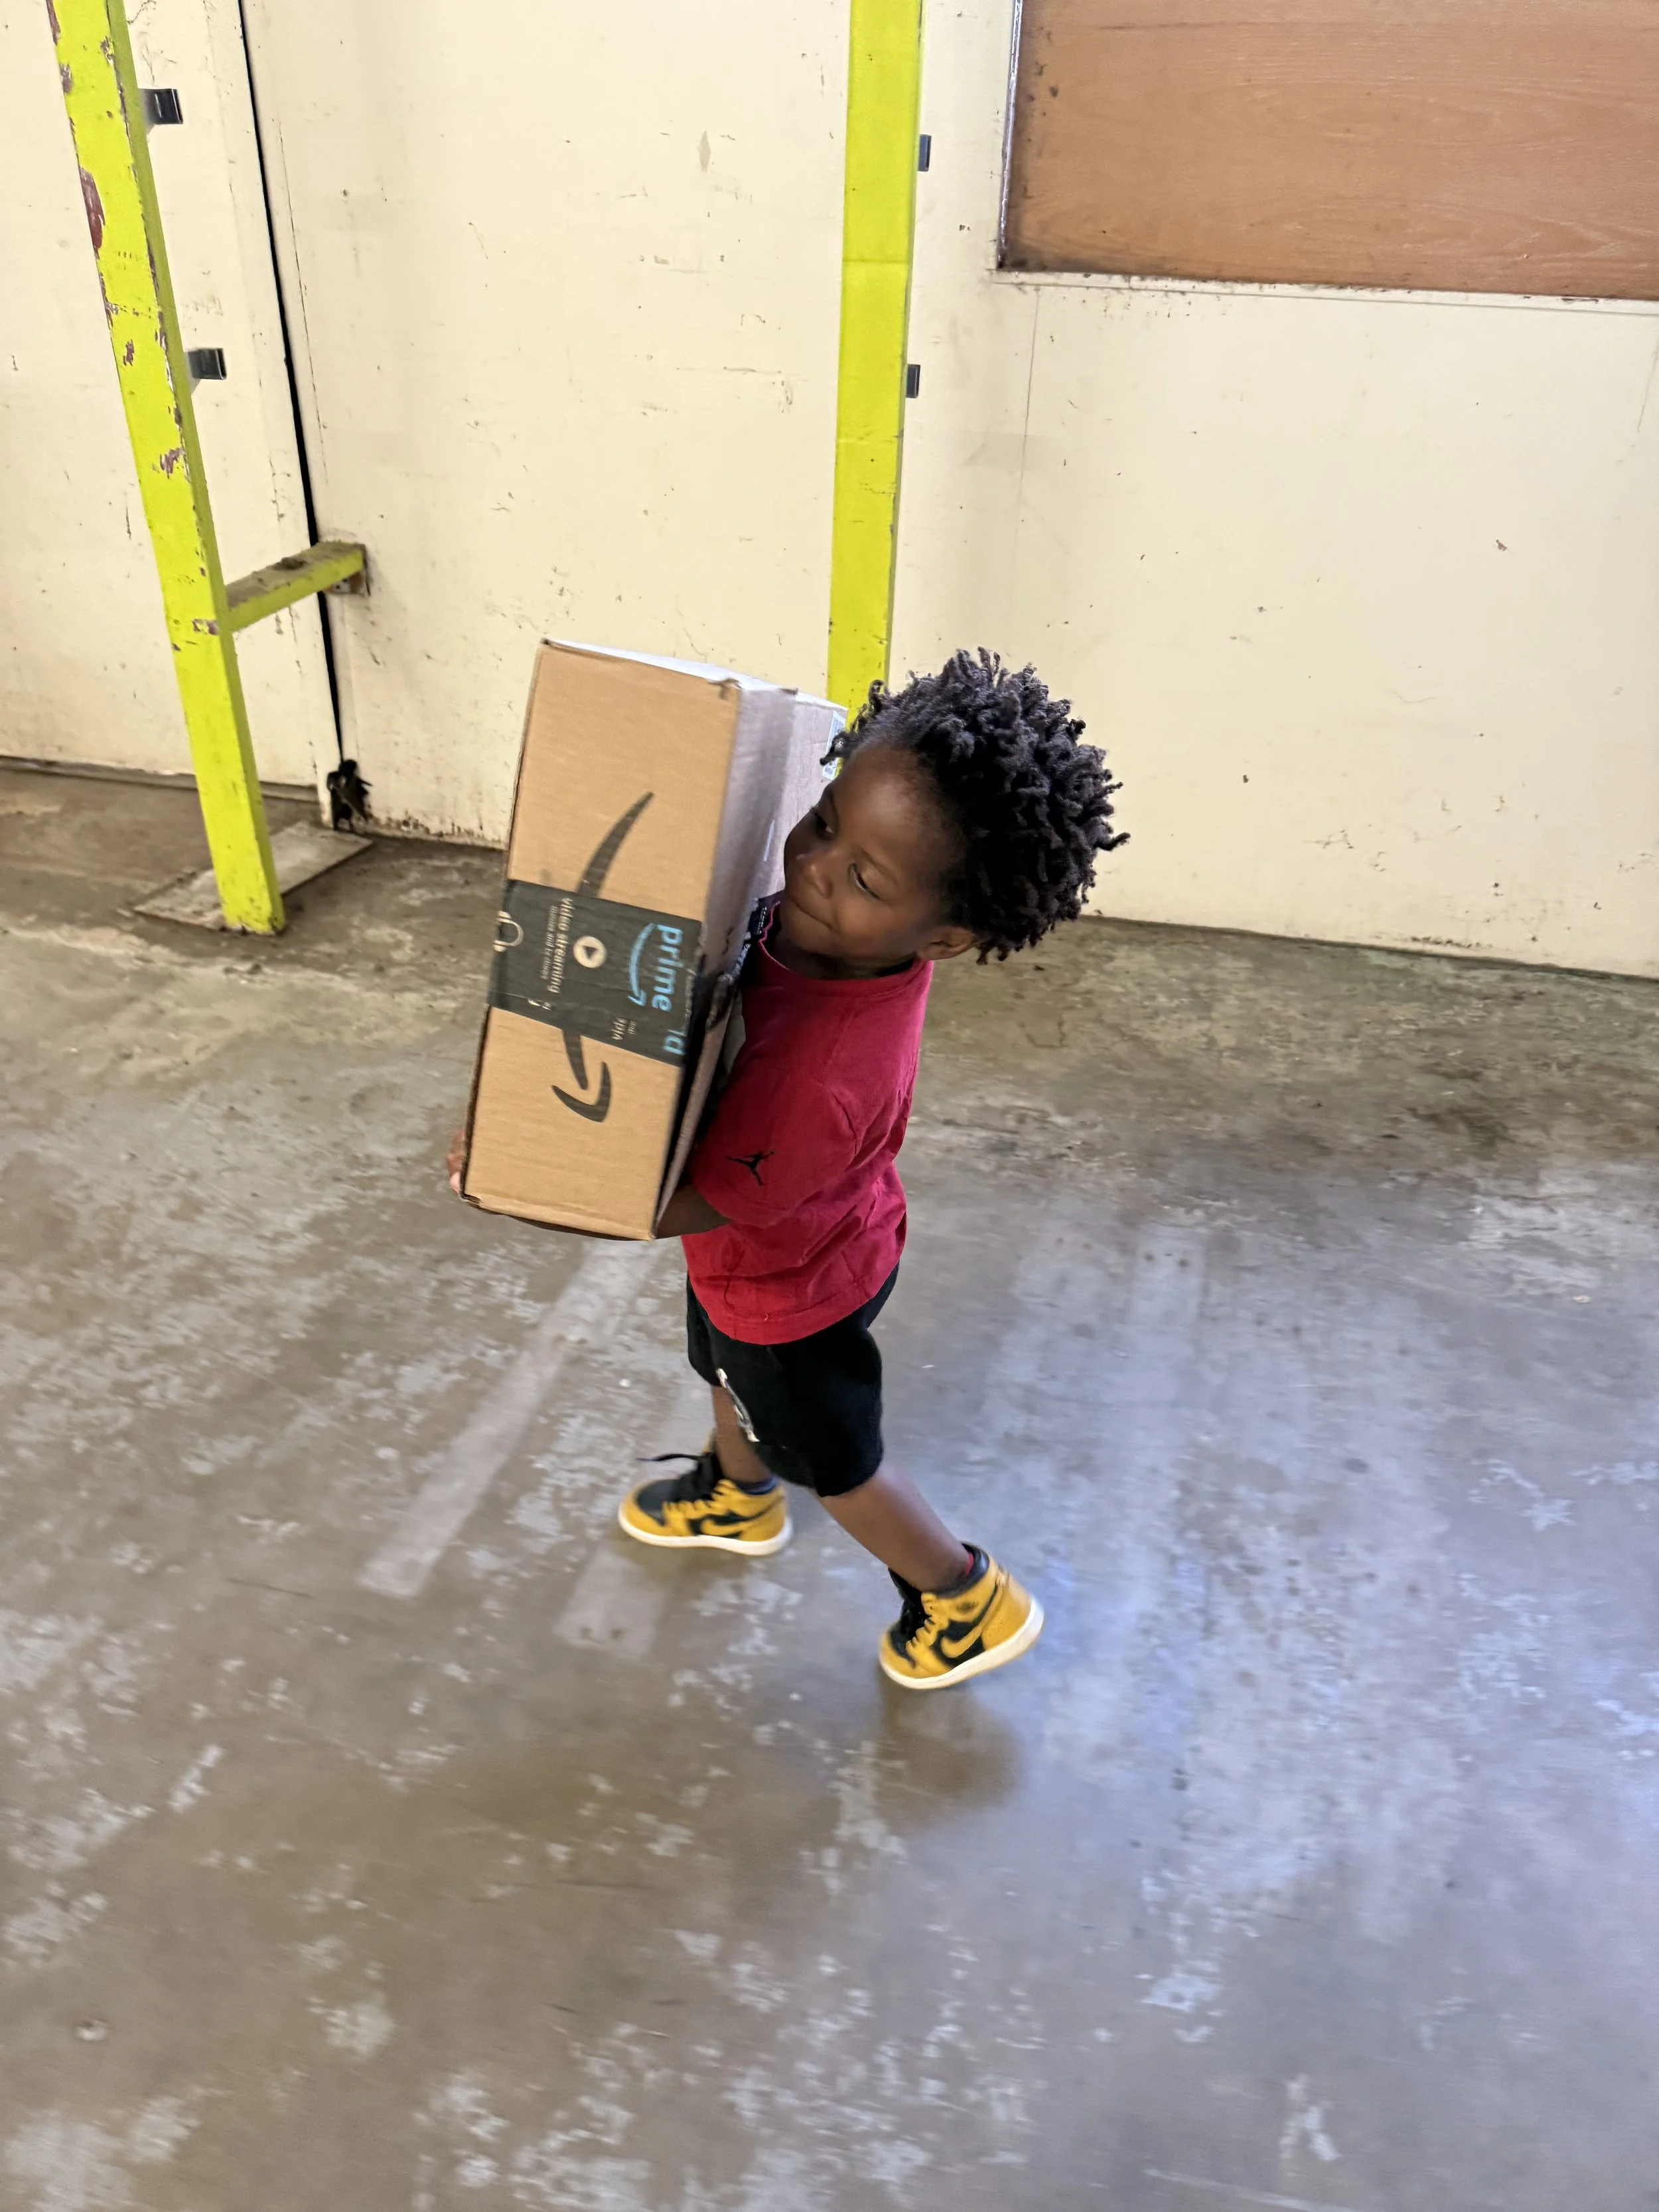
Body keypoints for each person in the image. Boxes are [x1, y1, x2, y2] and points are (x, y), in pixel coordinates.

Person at [618, 648, 1125, 1688]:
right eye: (824, 822)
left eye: (863, 878)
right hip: (789, 1250)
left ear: (944, 937)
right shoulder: (838, 942)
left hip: (789, 1294)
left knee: (838, 1464)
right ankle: (737, 1496)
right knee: (723, 1372)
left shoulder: (820, 1080)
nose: (814, 867)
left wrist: (562, 1180)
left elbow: (712, 1198)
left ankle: (962, 1597)